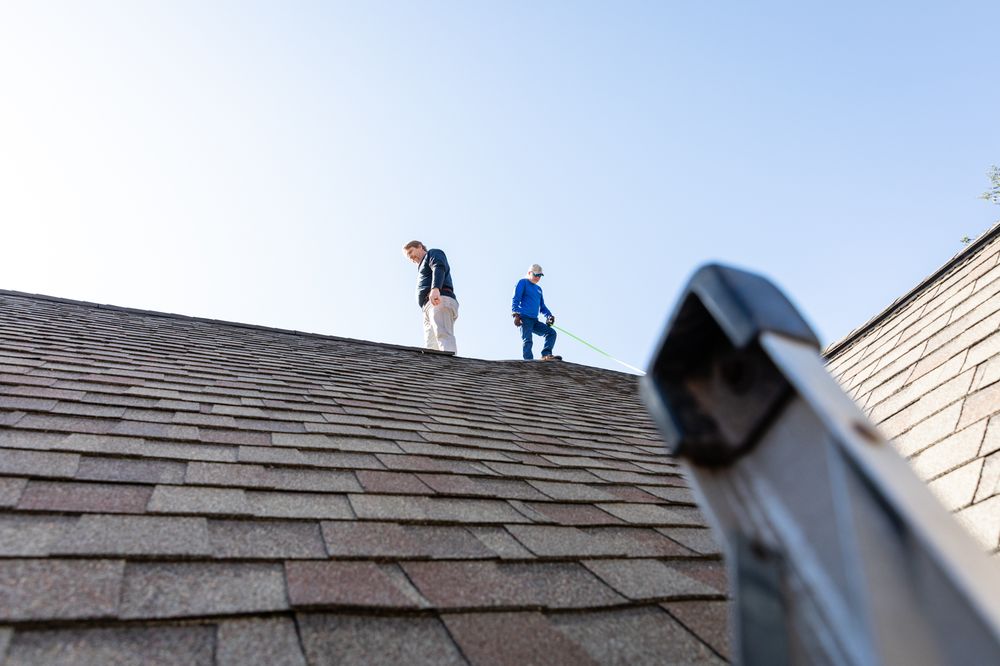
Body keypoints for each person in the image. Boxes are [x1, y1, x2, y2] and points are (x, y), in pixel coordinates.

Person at [402, 240, 458, 353]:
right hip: (427, 307)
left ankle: (450, 366)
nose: (411, 257)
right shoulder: (422, 266)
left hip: (438, 298)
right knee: (431, 346)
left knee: (443, 335)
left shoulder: (432, 253)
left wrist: (435, 288)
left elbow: (438, 266)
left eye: (411, 252)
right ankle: (437, 369)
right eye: (408, 257)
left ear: (420, 246)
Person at [511, 263, 561, 361]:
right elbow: (515, 299)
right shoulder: (523, 283)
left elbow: (542, 306)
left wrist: (549, 316)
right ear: (529, 273)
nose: (538, 277)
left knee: (551, 333)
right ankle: (529, 361)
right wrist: (516, 315)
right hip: (524, 318)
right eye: (536, 275)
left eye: (540, 275)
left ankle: (546, 355)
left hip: (534, 320)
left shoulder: (539, 289)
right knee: (528, 340)